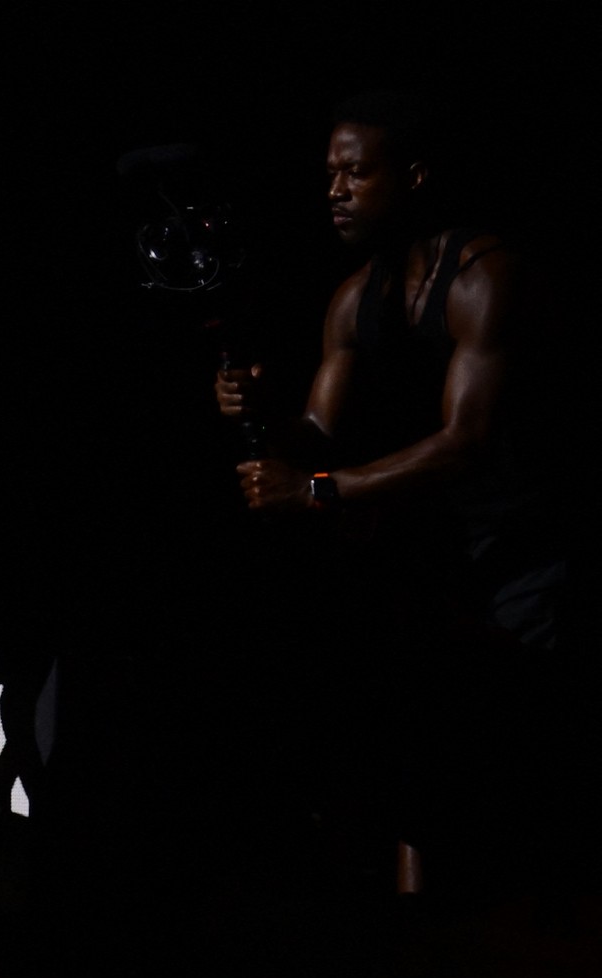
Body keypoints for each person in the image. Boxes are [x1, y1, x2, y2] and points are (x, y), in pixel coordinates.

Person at [213, 90, 586, 904]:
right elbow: (315, 428)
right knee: (418, 765)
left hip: (532, 559)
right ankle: (423, 951)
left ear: (413, 178)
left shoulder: (488, 277)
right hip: (440, 563)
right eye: (329, 174)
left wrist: (315, 491)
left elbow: (466, 441)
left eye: (356, 172)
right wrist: (259, 415)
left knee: (522, 765)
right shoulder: (354, 298)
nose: (335, 190)